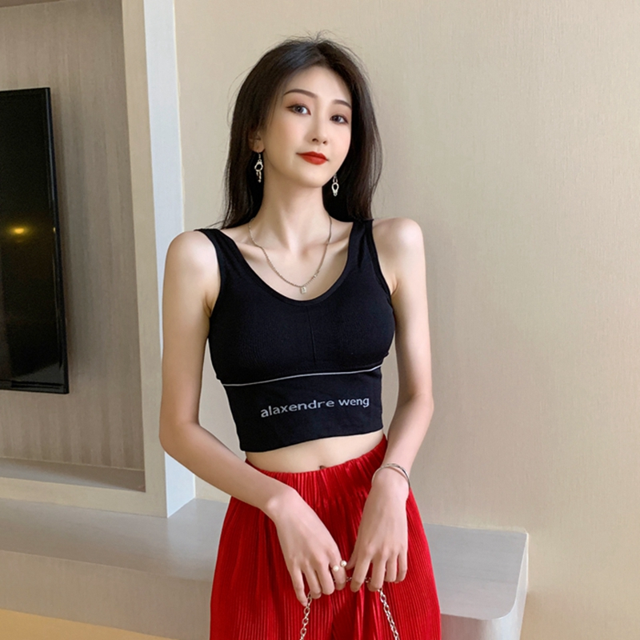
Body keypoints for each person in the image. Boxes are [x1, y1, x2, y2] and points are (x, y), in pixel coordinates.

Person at [159, 34, 441, 640]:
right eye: (299, 108)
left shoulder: (394, 243)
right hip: (270, 521)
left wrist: (393, 480)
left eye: (339, 117)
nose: (321, 132)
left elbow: (420, 395)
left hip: (379, 514)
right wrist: (280, 503)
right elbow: (176, 428)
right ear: (255, 132)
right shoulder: (200, 258)